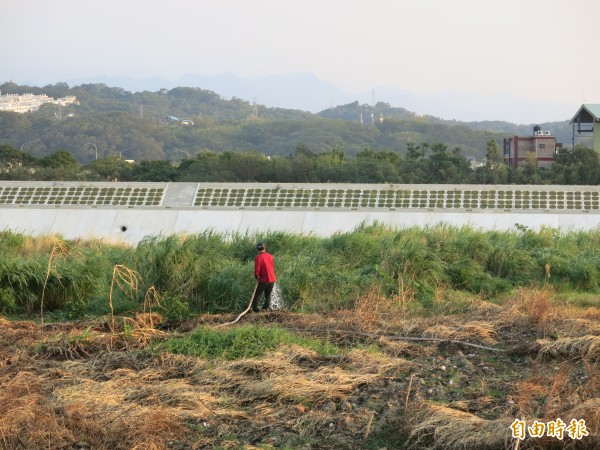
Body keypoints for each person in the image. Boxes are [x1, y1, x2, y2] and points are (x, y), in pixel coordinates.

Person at [251, 242, 276, 312]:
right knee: (268, 294)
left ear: (257, 249)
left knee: (257, 293)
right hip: (272, 278)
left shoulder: (258, 257)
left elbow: (257, 270)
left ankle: (255, 309)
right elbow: (272, 267)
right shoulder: (270, 256)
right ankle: (266, 307)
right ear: (264, 248)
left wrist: (257, 276)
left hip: (264, 279)